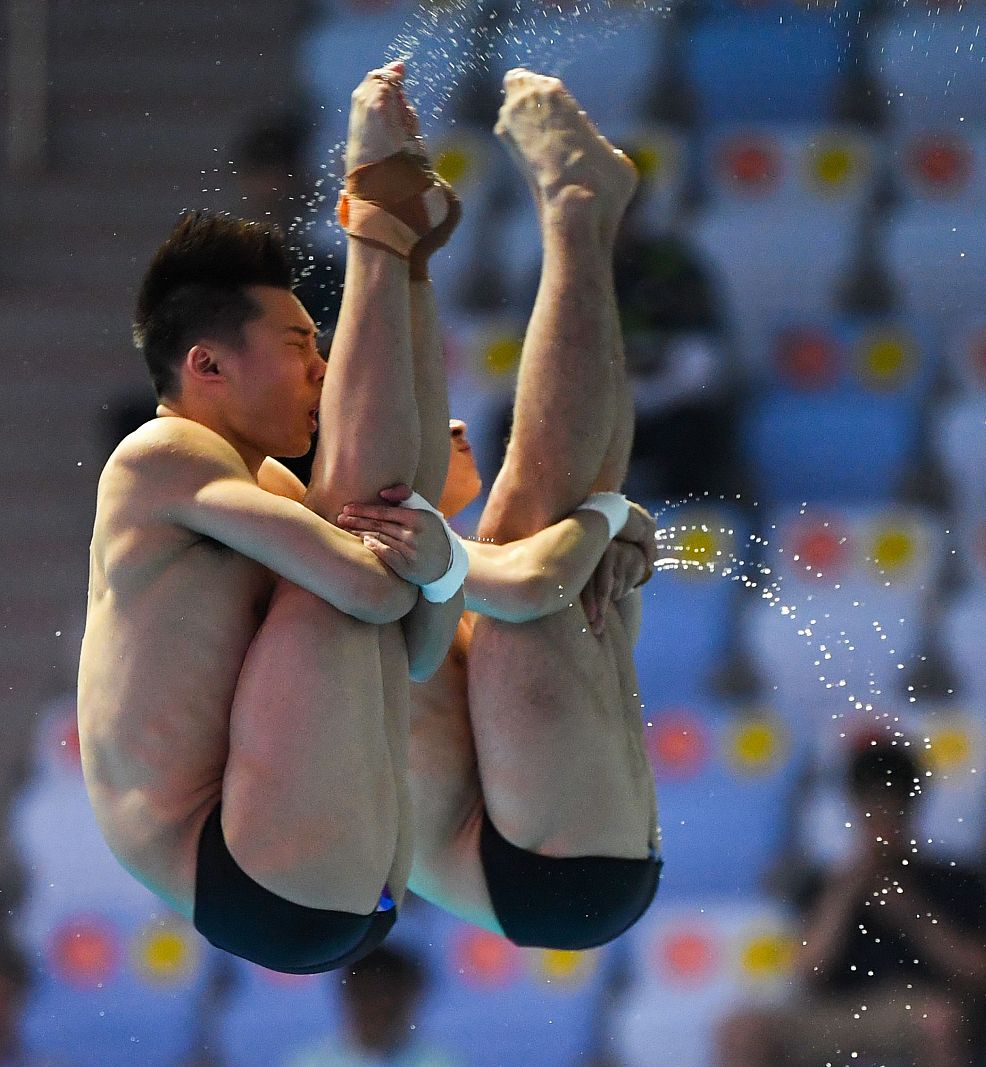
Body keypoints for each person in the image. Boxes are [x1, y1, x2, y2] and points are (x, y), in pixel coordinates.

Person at [77, 62, 466, 975]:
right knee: (359, 529)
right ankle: (387, 240)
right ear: (206, 367)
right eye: (301, 348)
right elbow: (364, 595)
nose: (321, 374)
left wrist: (443, 565)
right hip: (243, 865)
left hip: (329, 878)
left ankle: (392, 245)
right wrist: (420, 554)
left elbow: (407, 649)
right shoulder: (157, 456)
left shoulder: (269, 493)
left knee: (362, 531)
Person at [339, 70, 663, 950]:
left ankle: (581, 206)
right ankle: (574, 205)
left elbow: (562, 583)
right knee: (529, 523)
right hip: (557, 867)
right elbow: (538, 578)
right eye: (433, 437)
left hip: (545, 841)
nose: (448, 429)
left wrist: (613, 523)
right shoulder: (364, 557)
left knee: (544, 517)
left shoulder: (428, 574)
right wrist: (615, 523)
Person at [713, 739, 986, 1067]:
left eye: (892, 806)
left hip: (912, 1006)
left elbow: (981, 974)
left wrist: (912, 913)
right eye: (871, 806)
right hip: (834, 1012)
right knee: (743, 1029)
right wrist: (844, 895)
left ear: (911, 807)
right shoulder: (825, 883)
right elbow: (808, 970)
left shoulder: (954, 880)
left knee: (939, 1022)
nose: (881, 820)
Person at [284, 944, 461, 1067]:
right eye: (366, 998)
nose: (375, 1010)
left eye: (385, 1003)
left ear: (408, 999)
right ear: (348, 998)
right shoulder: (311, 1063)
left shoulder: (438, 1062)